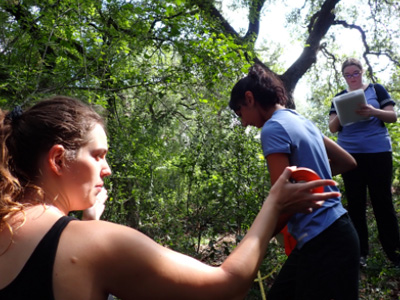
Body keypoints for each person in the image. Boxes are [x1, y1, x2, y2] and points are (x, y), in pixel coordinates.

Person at [0, 96, 339, 300]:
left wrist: (88, 224)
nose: (108, 169)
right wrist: (274, 206)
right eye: (98, 155)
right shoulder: (92, 244)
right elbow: (227, 287)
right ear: (58, 160)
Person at [229, 64, 360, 300]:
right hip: (336, 232)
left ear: (249, 99)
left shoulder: (273, 128)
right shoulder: (301, 121)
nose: (243, 123)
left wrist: (252, 243)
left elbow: (284, 202)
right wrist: (313, 181)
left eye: (240, 113)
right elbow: (347, 161)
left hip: (325, 243)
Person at [329, 57, 400, 268]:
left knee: (383, 203)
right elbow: (332, 128)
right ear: (344, 76)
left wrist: (372, 111)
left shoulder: (377, 90)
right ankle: (360, 254)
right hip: (350, 157)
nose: (352, 77)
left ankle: (395, 253)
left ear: (362, 72)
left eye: (355, 73)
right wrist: (343, 113)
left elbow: (392, 116)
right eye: (347, 74)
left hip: (378, 152)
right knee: (356, 205)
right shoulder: (339, 98)